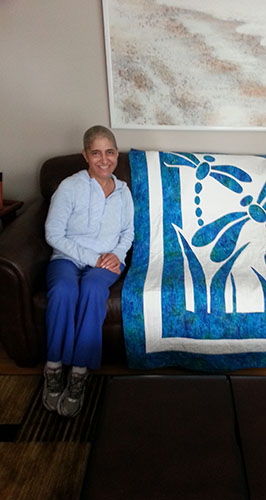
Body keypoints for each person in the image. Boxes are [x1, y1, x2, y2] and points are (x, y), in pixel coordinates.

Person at [42, 125, 134, 417]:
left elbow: (128, 233)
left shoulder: (123, 192)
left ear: (116, 154)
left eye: (109, 152)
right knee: (63, 290)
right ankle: (54, 367)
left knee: (94, 290)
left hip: (108, 262)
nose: (104, 159)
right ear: (86, 155)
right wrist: (93, 257)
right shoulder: (70, 187)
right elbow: (53, 234)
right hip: (68, 258)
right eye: (96, 153)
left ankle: (79, 374)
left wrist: (116, 256)